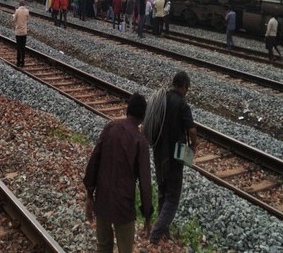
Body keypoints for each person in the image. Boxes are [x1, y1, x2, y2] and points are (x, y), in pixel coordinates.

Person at [83, 93, 152, 253]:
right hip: (124, 206)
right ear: (143, 117)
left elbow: (94, 161)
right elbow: (145, 183)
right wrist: (147, 216)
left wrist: (89, 195)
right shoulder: (140, 141)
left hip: (103, 200)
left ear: (128, 110)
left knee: (103, 246)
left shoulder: (110, 127)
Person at [143, 71, 197, 245]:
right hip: (175, 155)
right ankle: (156, 234)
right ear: (183, 87)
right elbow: (192, 130)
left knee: (162, 190)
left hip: (159, 152)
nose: (186, 92)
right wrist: (194, 145)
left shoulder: (161, 99)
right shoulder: (182, 104)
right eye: (187, 89)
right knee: (173, 196)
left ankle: (164, 231)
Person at [13, 0, 29, 67]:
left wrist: (14, 14)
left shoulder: (17, 11)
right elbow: (27, 19)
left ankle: (18, 61)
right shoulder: (27, 11)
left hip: (18, 32)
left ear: (19, 4)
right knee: (23, 47)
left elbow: (14, 20)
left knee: (18, 47)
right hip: (24, 31)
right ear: (24, 4)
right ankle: (23, 61)